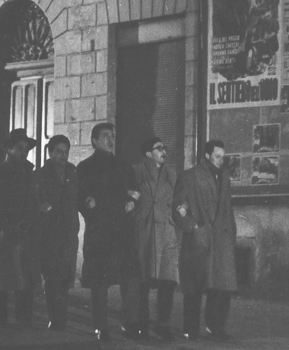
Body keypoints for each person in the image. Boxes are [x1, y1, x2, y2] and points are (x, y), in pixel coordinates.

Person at [77, 122, 143, 341]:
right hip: (100, 232)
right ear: (94, 141)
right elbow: (79, 197)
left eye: (112, 136)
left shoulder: (123, 166)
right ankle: (100, 325)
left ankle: (130, 323)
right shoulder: (85, 167)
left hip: (123, 232)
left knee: (130, 280)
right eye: (105, 136)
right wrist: (87, 203)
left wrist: (133, 202)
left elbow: (135, 192)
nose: (110, 140)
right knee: (100, 281)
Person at [172, 140, 238, 343]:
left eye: (223, 157)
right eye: (218, 156)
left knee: (221, 286)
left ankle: (215, 326)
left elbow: (227, 205)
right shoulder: (190, 176)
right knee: (195, 286)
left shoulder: (224, 177)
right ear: (207, 156)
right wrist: (192, 227)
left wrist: (232, 230)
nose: (221, 160)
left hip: (222, 238)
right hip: (200, 238)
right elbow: (177, 206)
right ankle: (190, 328)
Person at [0, 128, 41, 325]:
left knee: (26, 288)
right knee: (0, 287)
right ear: (9, 149)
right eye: (19, 148)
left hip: (27, 238)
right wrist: (9, 223)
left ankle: (25, 332)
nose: (24, 152)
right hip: (3, 239)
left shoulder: (32, 175)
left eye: (26, 149)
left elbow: (36, 203)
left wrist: (31, 221)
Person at [129, 137, 180, 340]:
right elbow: (127, 197)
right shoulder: (136, 171)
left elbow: (178, 199)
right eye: (159, 149)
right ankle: (141, 326)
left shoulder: (171, 174)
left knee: (168, 281)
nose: (164, 152)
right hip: (145, 232)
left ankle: (163, 324)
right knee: (143, 282)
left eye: (164, 148)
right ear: (148, 153)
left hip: (167, 233)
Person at [32, 135, 79, 331]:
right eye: (58, 151)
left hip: (69, 234)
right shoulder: (40, 175)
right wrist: (40, 207)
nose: (63, 155)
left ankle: (62, 318)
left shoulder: (73, 172)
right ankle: (54, 318)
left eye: (66, 151)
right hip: (49, 235)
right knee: (52, 277)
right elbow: (32, 202)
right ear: (50, 153)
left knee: (66, 276)